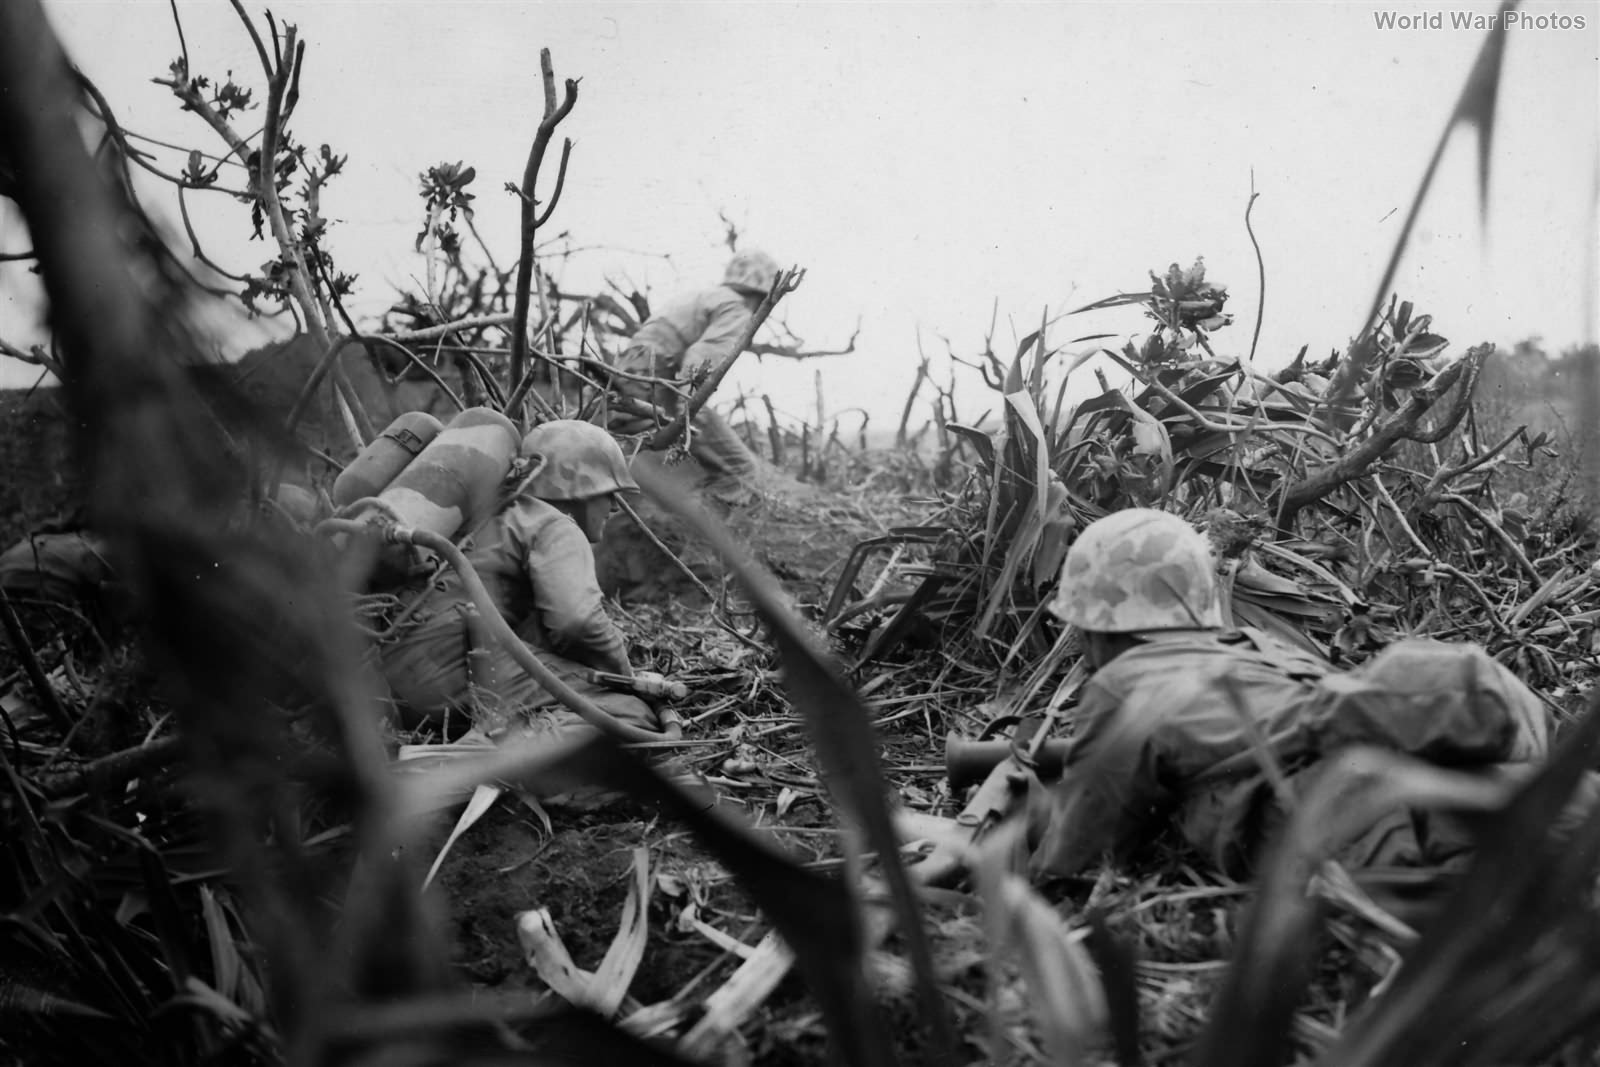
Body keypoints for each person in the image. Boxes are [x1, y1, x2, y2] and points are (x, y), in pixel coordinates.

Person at [1025, 507, 1551, 890]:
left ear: (1097, 624)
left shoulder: (1123, 686)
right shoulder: (1258, 649)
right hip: (1522, 801)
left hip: (1413, 853)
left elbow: (1075, 864)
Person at [378, 420, 659, 739]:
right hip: (453, 667)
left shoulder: (486, 512)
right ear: (579, 485)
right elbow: (577, 622)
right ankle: (475, 768)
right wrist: (627, 680)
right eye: (609, 493)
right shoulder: (552, 524)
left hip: (390, 673)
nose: (613, 508)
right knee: (629, 714)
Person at [607, 250, 775, 501]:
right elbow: (699, 362)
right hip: (653, 379)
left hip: (628, 373)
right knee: (742, 470)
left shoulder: (705, 296)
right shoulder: (736, 308)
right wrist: (690, 408)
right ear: (763, 294)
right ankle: (712, 531)